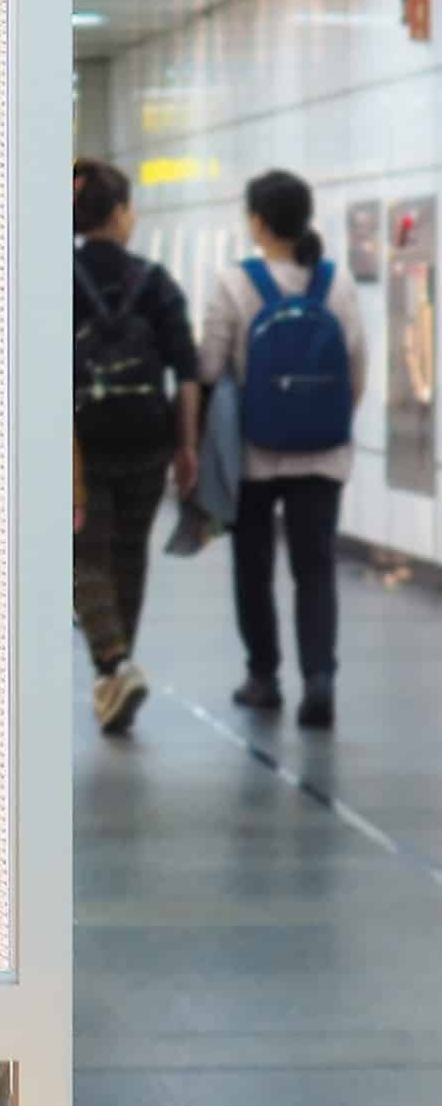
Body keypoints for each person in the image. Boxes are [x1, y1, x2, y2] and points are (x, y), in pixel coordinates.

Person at [199, 170, 366, 730]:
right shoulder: (337, 283)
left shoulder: (234, 284)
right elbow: (356, 369)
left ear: (257, 222)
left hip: (254, 452)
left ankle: (263, 677)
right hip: (322, 455)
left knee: (253, 567)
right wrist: (324, 421)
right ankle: (319, 678)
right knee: (315, 568)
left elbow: (209, 367)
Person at [73, 159, 199, 734]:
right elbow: (187, 373)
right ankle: (116, 672)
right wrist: (187, 447)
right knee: (128, 554)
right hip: (148, 438)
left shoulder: (57, 279)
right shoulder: (155, 282)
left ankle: (114, 665)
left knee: (81, 555)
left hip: (80, 440)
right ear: (120, 213)